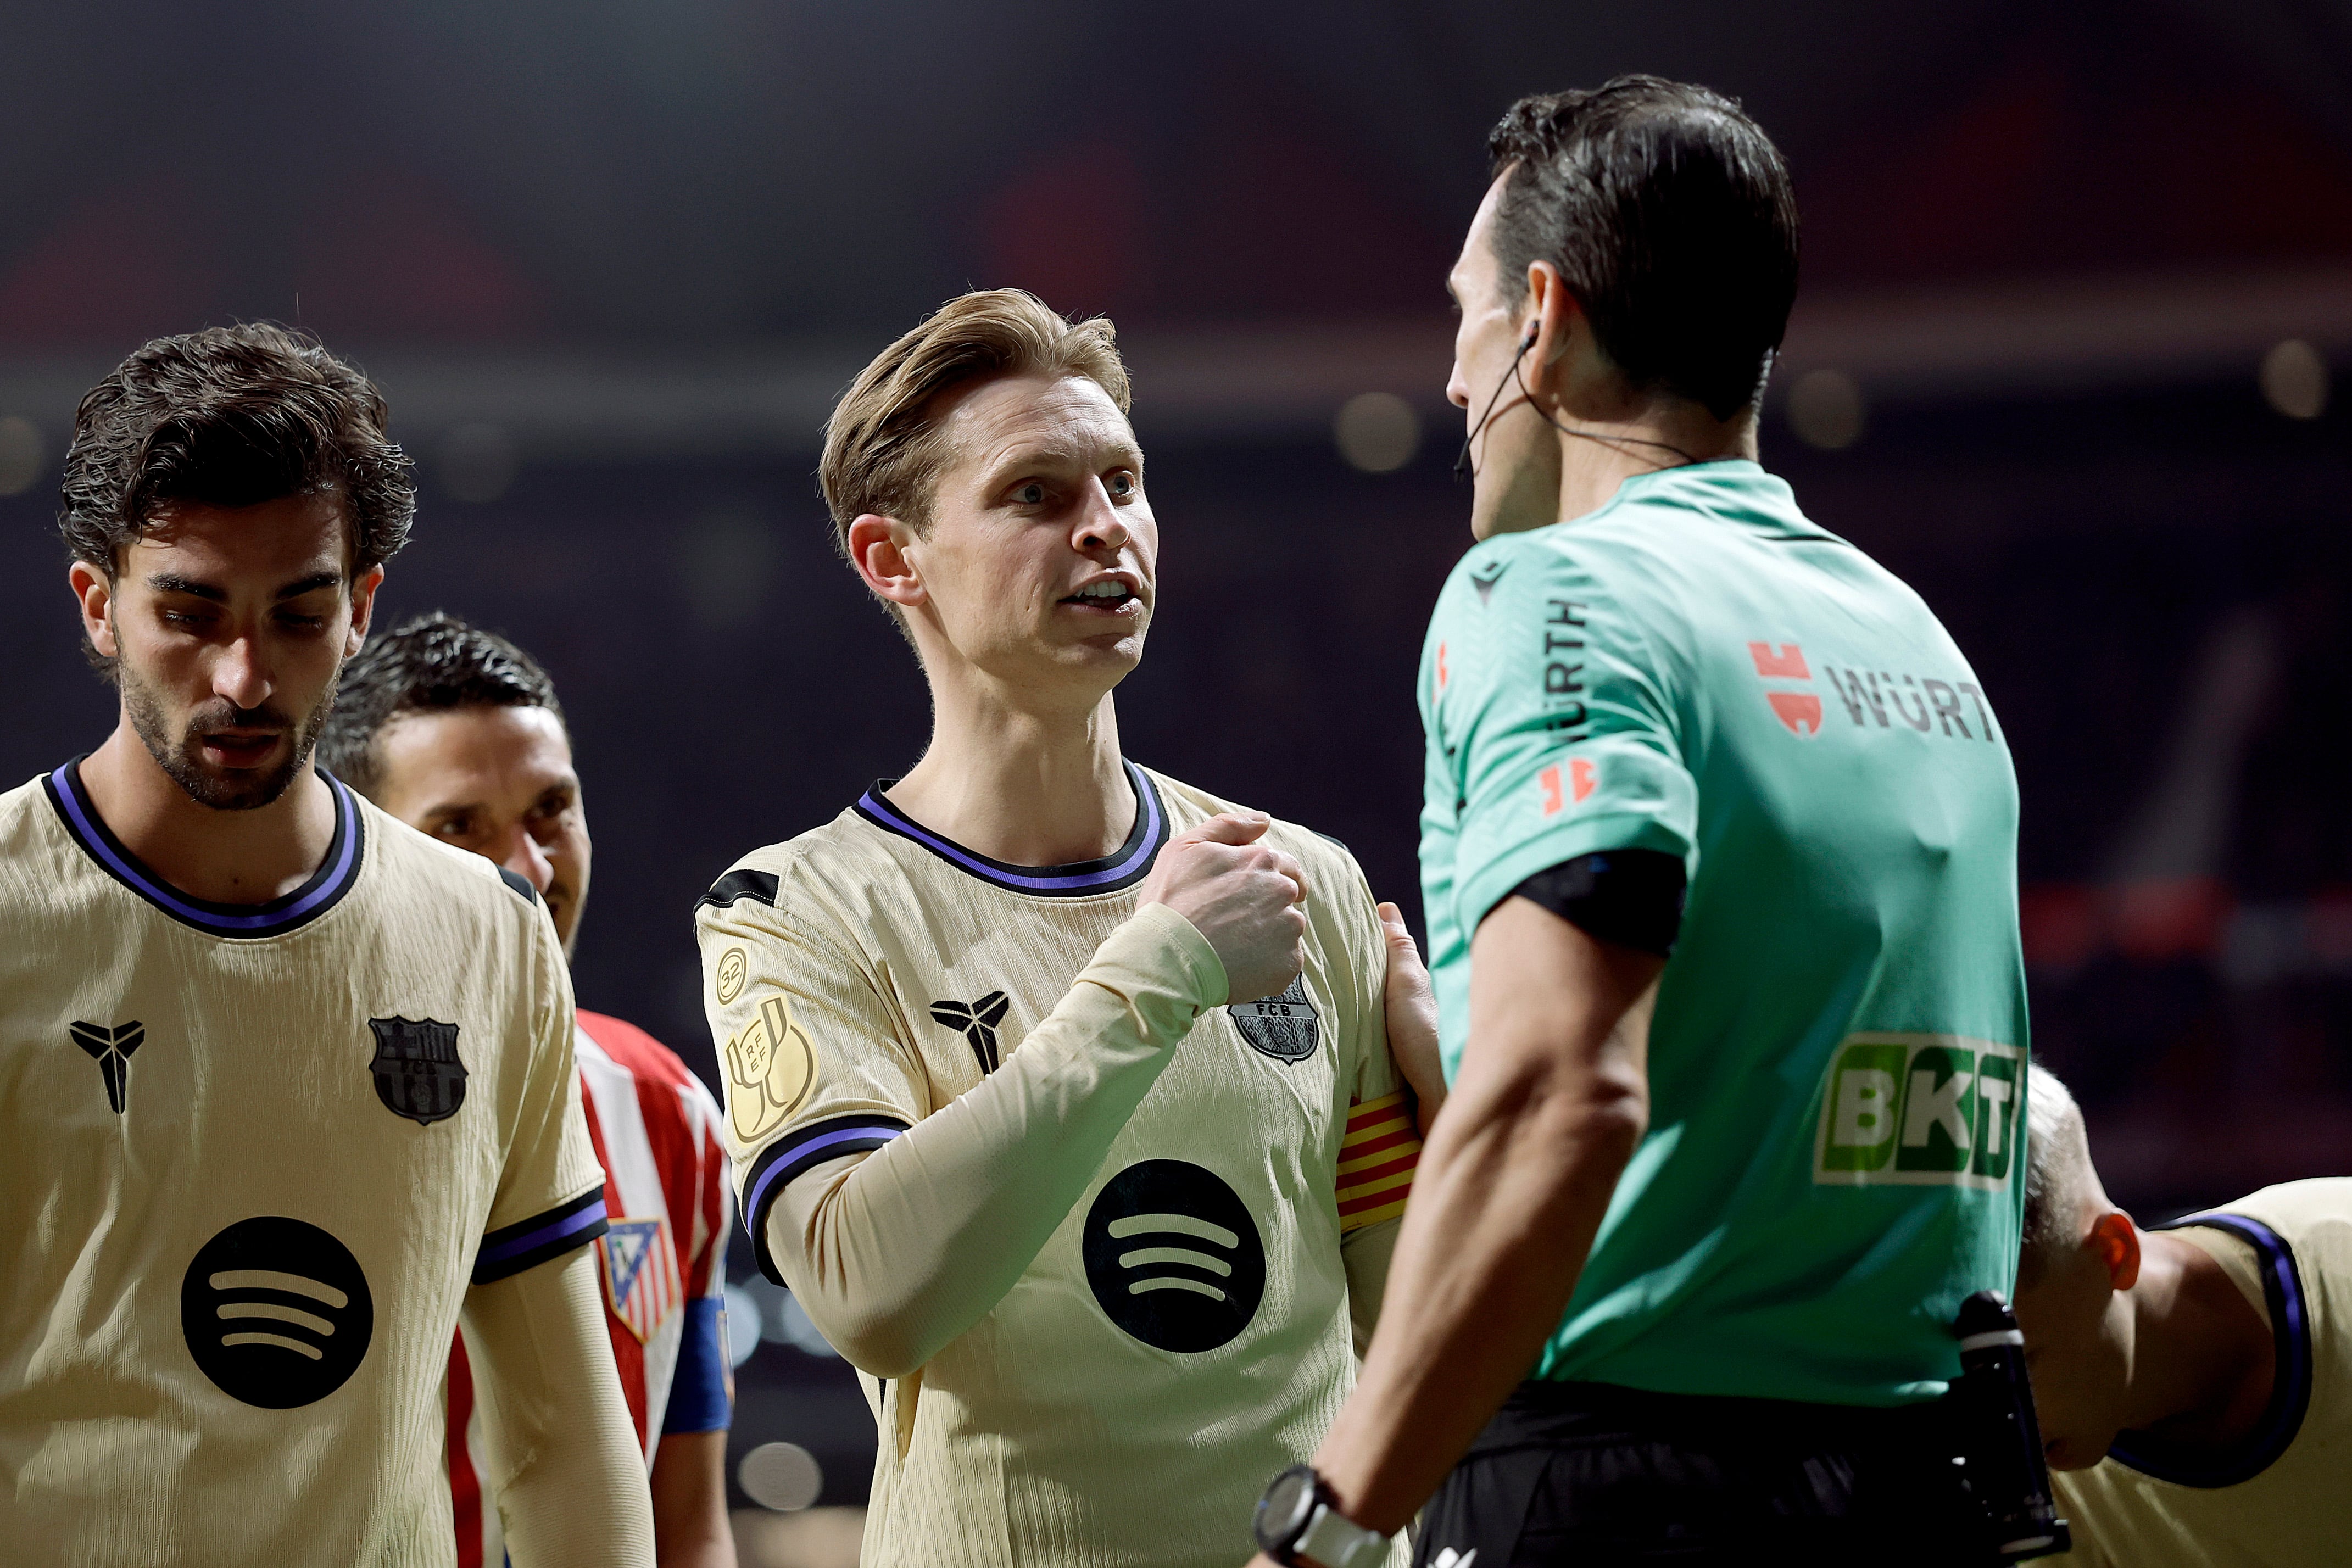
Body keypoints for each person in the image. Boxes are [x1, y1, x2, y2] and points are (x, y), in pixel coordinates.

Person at [1245, 78, 2028, 1568]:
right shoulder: (1912, 638)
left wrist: (1329, 1520)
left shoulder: (1550, 593)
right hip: (1927, 1480)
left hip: (1629, 1485)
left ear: (1539, 319)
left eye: (1461, 315)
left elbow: (1566, 1097)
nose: (1450, 373)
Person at [695, 288, 1443, 1568]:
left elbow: (1400, 1318)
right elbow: (867, 1290)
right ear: (893, 558)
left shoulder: (1304, 881)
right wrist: (1158, 970)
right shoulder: (794, 908)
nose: (1105, 526)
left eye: (1123, 480)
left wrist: (1462, 1125)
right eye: (1034, 495)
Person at [0, 325, 652, 1564]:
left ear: (360, 609)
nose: (244, 675)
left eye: (296, 614)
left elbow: (558, 1437)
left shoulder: (487, 937)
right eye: (189, 610)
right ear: (99, 606)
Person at [319, 612, 737, 1568]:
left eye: (551, 810)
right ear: (366, 850)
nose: (530, 870)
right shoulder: (282, 1113)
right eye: (461, 827)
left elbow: (687, 1523)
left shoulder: (668, 1112)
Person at [2012, 1064, 2350, 1566]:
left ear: (2114, 1251)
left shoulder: (2341, 1257)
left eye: (2022, 1369)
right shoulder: (2023, 1500)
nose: (2006, 1425)